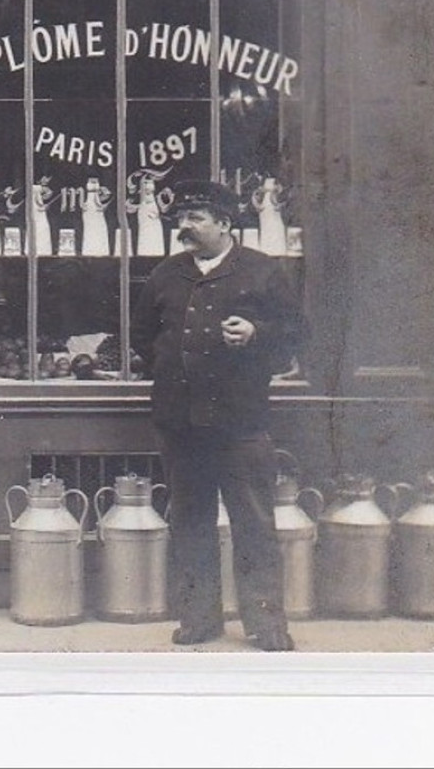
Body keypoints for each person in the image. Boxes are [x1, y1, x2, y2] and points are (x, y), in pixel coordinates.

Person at [130, 180, 305, 652]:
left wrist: (257, 332)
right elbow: (142, 337)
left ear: (225, 224)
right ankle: (199, 619)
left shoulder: (263, 271)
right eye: (182, 217)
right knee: (190, 522)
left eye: (196, 218)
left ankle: (266, 625)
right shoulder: (166, 275)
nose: (183, 226)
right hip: (181, 423)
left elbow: (295, 334)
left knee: (254, 522)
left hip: (240, 421)